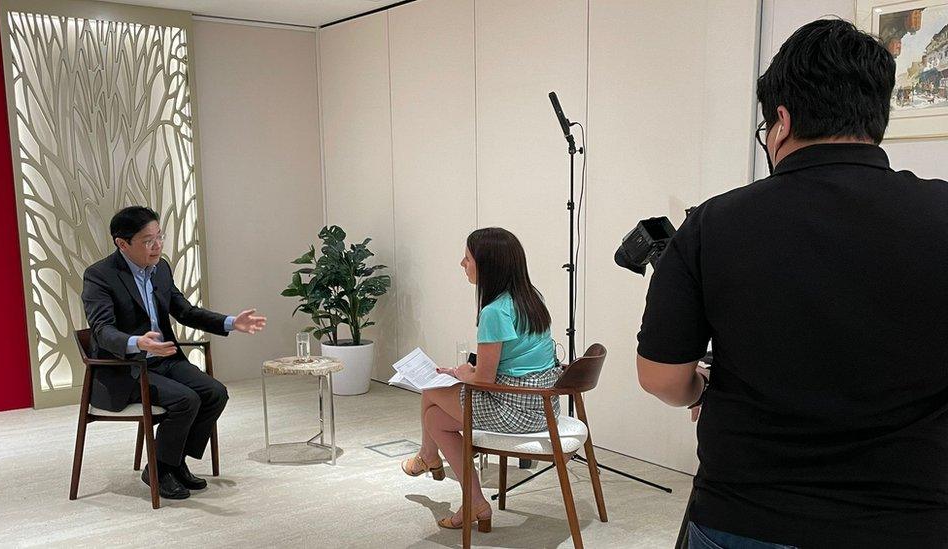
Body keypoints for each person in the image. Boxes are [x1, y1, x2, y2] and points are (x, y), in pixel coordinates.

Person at [636, 19, 948, 549]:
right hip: (914, 519)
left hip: (746, 516)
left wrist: (703, 389)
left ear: (781, 120)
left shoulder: (713, 223)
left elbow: (662, 377)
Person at [82, 206, 266, 500]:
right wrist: (137, 342)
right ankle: (161, 468)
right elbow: (102, 329)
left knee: (215, 392)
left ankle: (171, 461)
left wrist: (231, 322)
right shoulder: (99, 276)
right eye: (147, 240)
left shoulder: (161, 268)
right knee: (186, 400)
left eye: (159, 237)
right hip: (125, 368)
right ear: (122, 243)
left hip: (163, 358)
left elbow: (185, 311)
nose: (157, 246)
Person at [400, 227, 561, 532]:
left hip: (515, 410)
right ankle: (465, 493)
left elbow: (485, 379)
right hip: (543, 406)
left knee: (431, 387)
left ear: (488, 265)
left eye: (467, 258)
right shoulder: (530, 299)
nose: (463, 264)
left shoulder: (495, 311)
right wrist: (465, 374)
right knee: (434, 417)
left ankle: (430, 459)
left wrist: (462, 373)